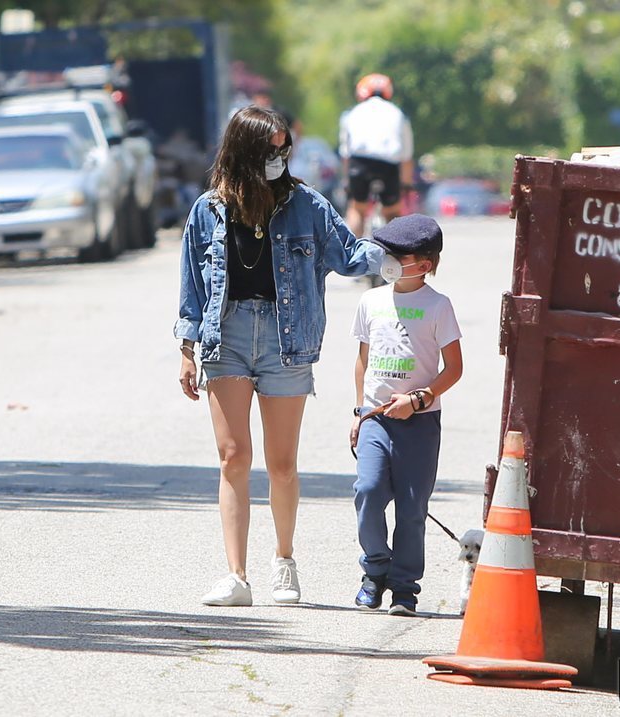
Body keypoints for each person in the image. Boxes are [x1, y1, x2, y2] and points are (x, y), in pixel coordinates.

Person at [175, 106, 386, 607]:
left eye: (285, 148)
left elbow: (350, 254)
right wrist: (186, 350)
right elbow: (190, 288)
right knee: (233, 458)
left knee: (282, 462)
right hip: (224, 336)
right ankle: (236, 575)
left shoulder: (307, 205)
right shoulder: (207, 210)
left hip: (285, 338)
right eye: (272, 149)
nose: (281, 157)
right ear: (246, 151)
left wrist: (403, 252)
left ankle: (284, 562)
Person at [348, 214, 463, 616]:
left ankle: (404, 587)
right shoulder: (370, 301)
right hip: (375, 419)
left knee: (412, 508)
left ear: (425, 264)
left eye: (398, 255)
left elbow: (454, 368)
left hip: (420, 424)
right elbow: (362, 362)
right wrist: (360, 413)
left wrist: (418, 399)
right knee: (368, 491)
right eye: (386, 253)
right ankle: (374, 570)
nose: (388, 260)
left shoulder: (438, 307)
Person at [338, 73, 415, 237]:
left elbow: (346, 153)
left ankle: (352, 253)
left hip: (360, 163)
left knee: (357, 209)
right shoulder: (398, 113)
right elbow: (406, 156)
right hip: (389, 164)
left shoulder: (352, 113)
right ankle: (397, 253)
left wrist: (346, 182)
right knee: (392, 212)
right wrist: (406, 185)